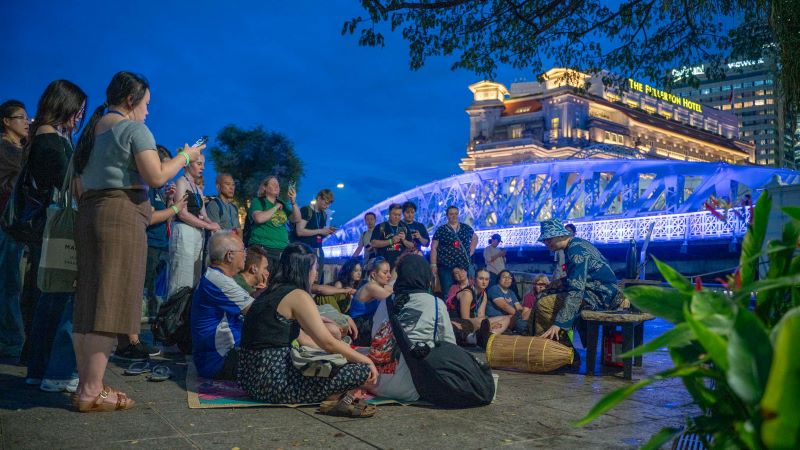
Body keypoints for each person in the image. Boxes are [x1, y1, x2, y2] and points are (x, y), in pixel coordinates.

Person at [72, 71, 204, 412]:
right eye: (146, 104)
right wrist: (185, 157)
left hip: (89, 214)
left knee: (88, 302)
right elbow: (157, 175)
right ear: (131, 100)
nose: (148, 112)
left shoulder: (91, 132)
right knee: (110, 302)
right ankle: (91, 390)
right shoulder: (133, 129)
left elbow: (76, 186)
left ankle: (89, 383)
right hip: (120, 214)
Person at [237, 243, 378, 417]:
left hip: (249, 380)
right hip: (273, 383)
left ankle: (335, 396)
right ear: (305, 269)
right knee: (360, 371)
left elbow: (303, 339)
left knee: (337, 361)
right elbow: (327, 342)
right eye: (315, 268)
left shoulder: (269, 292)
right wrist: (365, 359)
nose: (316, 273)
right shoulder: (298, 295)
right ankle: (334, 398)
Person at [23, 80, 87, 393]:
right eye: (77, 111)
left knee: (48, 299)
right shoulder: (52, 143)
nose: (79, 118)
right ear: (64, 106)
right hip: (57, 229)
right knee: (62, 298)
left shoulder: (44, 138)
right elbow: (67, 187)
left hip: (46, 229)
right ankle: (58, 373)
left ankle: (37, 369)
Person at [113, 145, 188, 362]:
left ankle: (132, 339)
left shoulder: (158, 190)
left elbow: (161, 215)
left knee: (147, 292)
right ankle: (130, 341)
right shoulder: (145, 185)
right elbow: (149, 216)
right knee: (136, 293)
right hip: (146, 242)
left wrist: (169, 203)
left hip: (158, 244)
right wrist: (175, 208)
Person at [366, 254, 457, 402]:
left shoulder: (385, 302)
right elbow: (450, 347)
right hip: (410, 389)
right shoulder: (435, 303)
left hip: (376, 383)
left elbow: (375, 338)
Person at [536, 219, 626, 345]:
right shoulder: (576, 244)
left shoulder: (575, 252)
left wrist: (559, 323)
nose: (546, 243)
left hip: (601, 295)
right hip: (602, 290)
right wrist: (559, 283)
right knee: (543, 294)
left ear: (561, 235)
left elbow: (576, 290)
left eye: (549, 239)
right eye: (545, 240)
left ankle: (563, 350)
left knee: (544, 304)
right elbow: (580, 277)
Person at [191, 231, 253, 380]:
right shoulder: (219, 281)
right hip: (219, 361)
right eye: (243, 250)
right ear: (229, 255)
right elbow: (258, 312)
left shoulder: (216, 276)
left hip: (218, 357)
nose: (246, 255)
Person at [167, 154, 220, 297]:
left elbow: (205, 215)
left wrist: (215, 226)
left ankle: (186, 315)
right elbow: (182, 213)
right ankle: (173, 314)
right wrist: (208, 226)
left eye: (203, 164)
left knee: (194, 277)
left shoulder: (197, 188)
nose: (202, 167)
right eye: (198, 163)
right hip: (183, 231)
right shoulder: (181, 183)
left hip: (197, 234)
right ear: (188, 164)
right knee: (181, 277)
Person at [0, 100, 29, 359]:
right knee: (9, 283)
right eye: (21, 117)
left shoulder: (25, 148)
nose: (27, 121)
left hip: (21, 224)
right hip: (6, 222)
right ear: (6, 121)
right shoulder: (4, 148)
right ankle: (11, 340)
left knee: (15, 282)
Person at [248, 176, 300, 273]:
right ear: (265, 188)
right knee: (263, 283)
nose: (277, 186)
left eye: (278, 185)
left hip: (281, 250)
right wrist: (275, 207)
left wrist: (293, 202)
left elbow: (296, 219)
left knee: (277, 283)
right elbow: (258, 218)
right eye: (273, 184)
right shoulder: (258, 201)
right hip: (264, 250)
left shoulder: (282, 204)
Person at [446, 268, 509, 347]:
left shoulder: (484, 294)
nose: (484, 282)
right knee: (482, 321)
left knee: (506, 319)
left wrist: (487, 324)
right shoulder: (467, 293)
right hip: (459, 322)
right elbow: (465, 319)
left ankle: (490, 335)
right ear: (474, 280)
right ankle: (484, 335)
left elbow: (481, 315)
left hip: (474, 322)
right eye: (481, 278)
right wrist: (488, 324)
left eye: (486, 279)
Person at [430, 205, 477, 296]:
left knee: (467, 290)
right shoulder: (441, 230)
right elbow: (434, 248)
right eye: (451, 214)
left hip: (464, 265)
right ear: (447, 216)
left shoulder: (465, 227)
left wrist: (472, 250)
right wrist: (433, 265)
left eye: (456, 214)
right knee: (447, 292)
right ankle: (448, 310)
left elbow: (475, 237)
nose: (454, 216)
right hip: (446, 266)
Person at [294, 189, 336, 283]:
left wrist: (327, 232)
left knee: (317, 279)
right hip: (305, 251)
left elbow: (320, 233)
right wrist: (321, 230)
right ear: (319, 198)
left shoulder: (323, 215)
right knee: (303, 280)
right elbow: (299, 231)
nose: (327, 206)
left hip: (318, 250)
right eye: (326, 202)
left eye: (329, 204)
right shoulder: (306, 210)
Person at [349, 257, 393, 346]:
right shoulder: (371, 287)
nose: (389, 276)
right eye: (385, 272)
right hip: (358, 328)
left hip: (366, 325)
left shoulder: (381, 286)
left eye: (389, 272)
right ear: (373, 275)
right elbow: (393, 299)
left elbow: (396, 291)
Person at [370, 204, 409, 269]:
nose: (397, 217)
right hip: (384, 265)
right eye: (394, 214)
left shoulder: (404, 226)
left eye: (399, 215)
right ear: (389, 213)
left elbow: (411, 245)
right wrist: (391, 241)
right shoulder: (381, 226)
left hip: (401, 264)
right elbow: (373, 243)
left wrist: (404, 240)